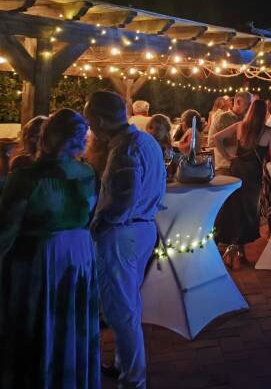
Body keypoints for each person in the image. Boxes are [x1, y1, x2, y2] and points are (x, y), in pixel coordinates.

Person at [0, 109, 100, 389]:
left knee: (40, 322)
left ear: (45, 136)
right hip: (79, 254)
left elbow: (7, 228)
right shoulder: (87, 173)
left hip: (41, 257)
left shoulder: (25, 177)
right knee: (71, 321)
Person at [84, 91, 165, 387]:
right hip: (143, 230)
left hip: (123, 234)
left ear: (100, 121)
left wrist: (100, 225)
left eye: (90, 122)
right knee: (129, 304)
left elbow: (124, 198)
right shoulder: (146, 140)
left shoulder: (125, 150)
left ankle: (133, 379)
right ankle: (123, 365)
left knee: (121, 311)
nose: (90, 129)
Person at [213, 100, 271, 264]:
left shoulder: (239, 126)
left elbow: (216, 138)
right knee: (248, 211)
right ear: (265, 113)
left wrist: (227, 156)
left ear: (250, 111)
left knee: (235, 209)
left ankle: (235, 249)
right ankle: (237, 250)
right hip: (252, 175)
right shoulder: (269, 132)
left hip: (236, 170)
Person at [208, 91, 253, 175]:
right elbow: (211, 142)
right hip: (225, 167)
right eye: (249, 104)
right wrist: (235, 141)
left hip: (242, 167)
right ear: (238, 102)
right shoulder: (222, 118)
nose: (251, 108)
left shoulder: (246, 119)